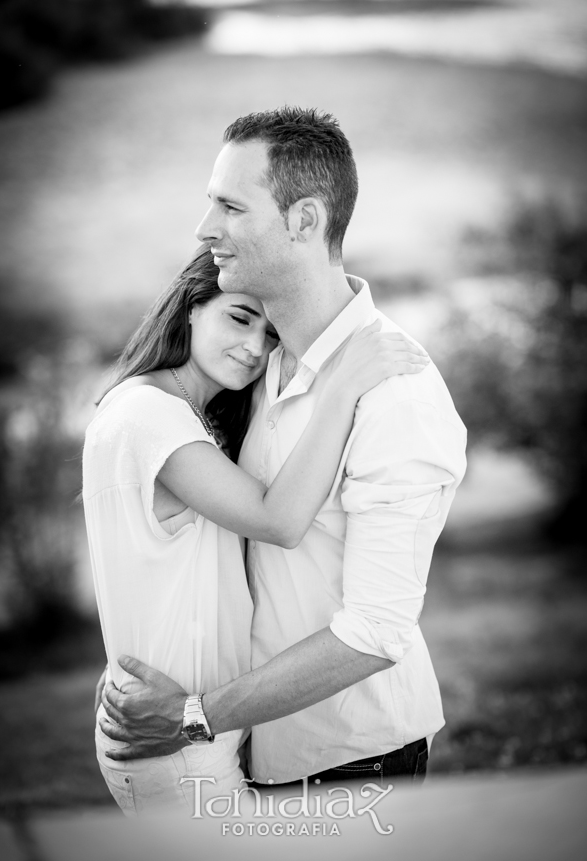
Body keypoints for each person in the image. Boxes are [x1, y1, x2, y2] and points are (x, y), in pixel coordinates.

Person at [100, 107, 467, 790]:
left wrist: (191, 716)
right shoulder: (254, 364)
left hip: (350, 760)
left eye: (230, 207)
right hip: (247, 753)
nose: (204, 228)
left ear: (303, 221)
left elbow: (375, 633)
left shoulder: (397, 395)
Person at [84, 244, 428, 816]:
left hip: (187, 727)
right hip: (175, 740)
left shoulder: (170, 414)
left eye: (272, 335)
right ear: (191, 307)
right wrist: (342, 388)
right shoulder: (150, 415)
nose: (253, 348)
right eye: (239, 318)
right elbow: (280, 521)